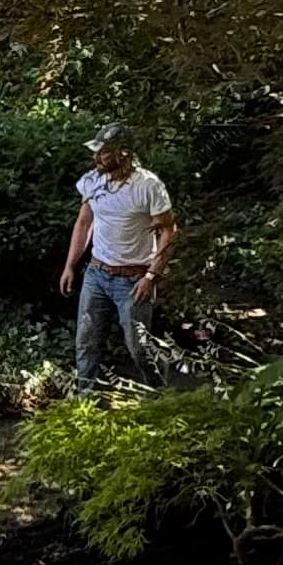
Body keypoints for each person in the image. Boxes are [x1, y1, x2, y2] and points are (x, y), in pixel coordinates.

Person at [60, 124, 177, 393]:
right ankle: (84, 400)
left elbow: (169, 230)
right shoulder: (92, 181)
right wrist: (70, 266)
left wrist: (151, 276)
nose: (97, 158)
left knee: (138, 346)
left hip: (134, 280)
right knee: (86, 341)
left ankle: (161, 395)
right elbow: (84, 222)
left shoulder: (148, 186)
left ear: (123, 153)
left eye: (104, 153)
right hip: (96, 274)